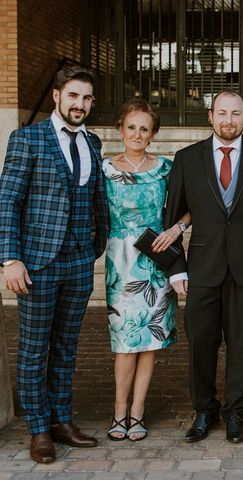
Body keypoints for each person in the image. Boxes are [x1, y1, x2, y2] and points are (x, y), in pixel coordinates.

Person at [0, 65, 109, 463]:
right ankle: (38, 429)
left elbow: (96, 198)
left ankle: (62, 419)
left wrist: (95, 245)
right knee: (34, 348)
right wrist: (10, 258)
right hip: (38, 262)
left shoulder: (94, 143)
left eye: (87, 98)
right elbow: (7, 200)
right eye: (74, 96)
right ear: (57, 96)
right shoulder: (27, 138)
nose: (80, 104)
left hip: (79, 260)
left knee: (66, 347)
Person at [164, 90, 243, 444]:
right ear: (210, 116)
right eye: (222, 113)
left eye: (236, 114)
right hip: (201, 268)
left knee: (242, 343)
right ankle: (203, 410)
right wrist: (176, 268)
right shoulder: (187, 158)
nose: (229, 120)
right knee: (200, 342)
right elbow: (171, 218)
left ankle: (236, 412)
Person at [102, 99, 190, 441]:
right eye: (132, 127)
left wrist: (176, 230)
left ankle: (137, 412)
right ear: (120, 129)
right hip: (121, 266)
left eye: (144, 128)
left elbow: (189, 207)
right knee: (125, 343)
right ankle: (118, 412)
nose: (137, 134)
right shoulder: (105, 170)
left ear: (152, 134)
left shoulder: (165, 170)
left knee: (149, 340)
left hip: (155, 262)